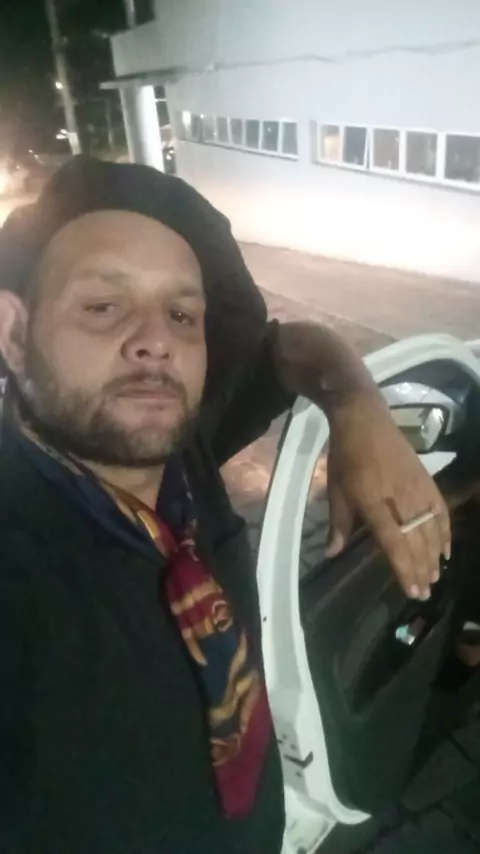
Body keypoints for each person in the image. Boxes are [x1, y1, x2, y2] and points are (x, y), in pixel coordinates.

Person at [0, 156, 449, 854]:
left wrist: (357, 406)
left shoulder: (177, 443)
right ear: (14, 335)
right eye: (103, 307)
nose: (157, 341)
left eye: (182, 314)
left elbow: (288, 348)